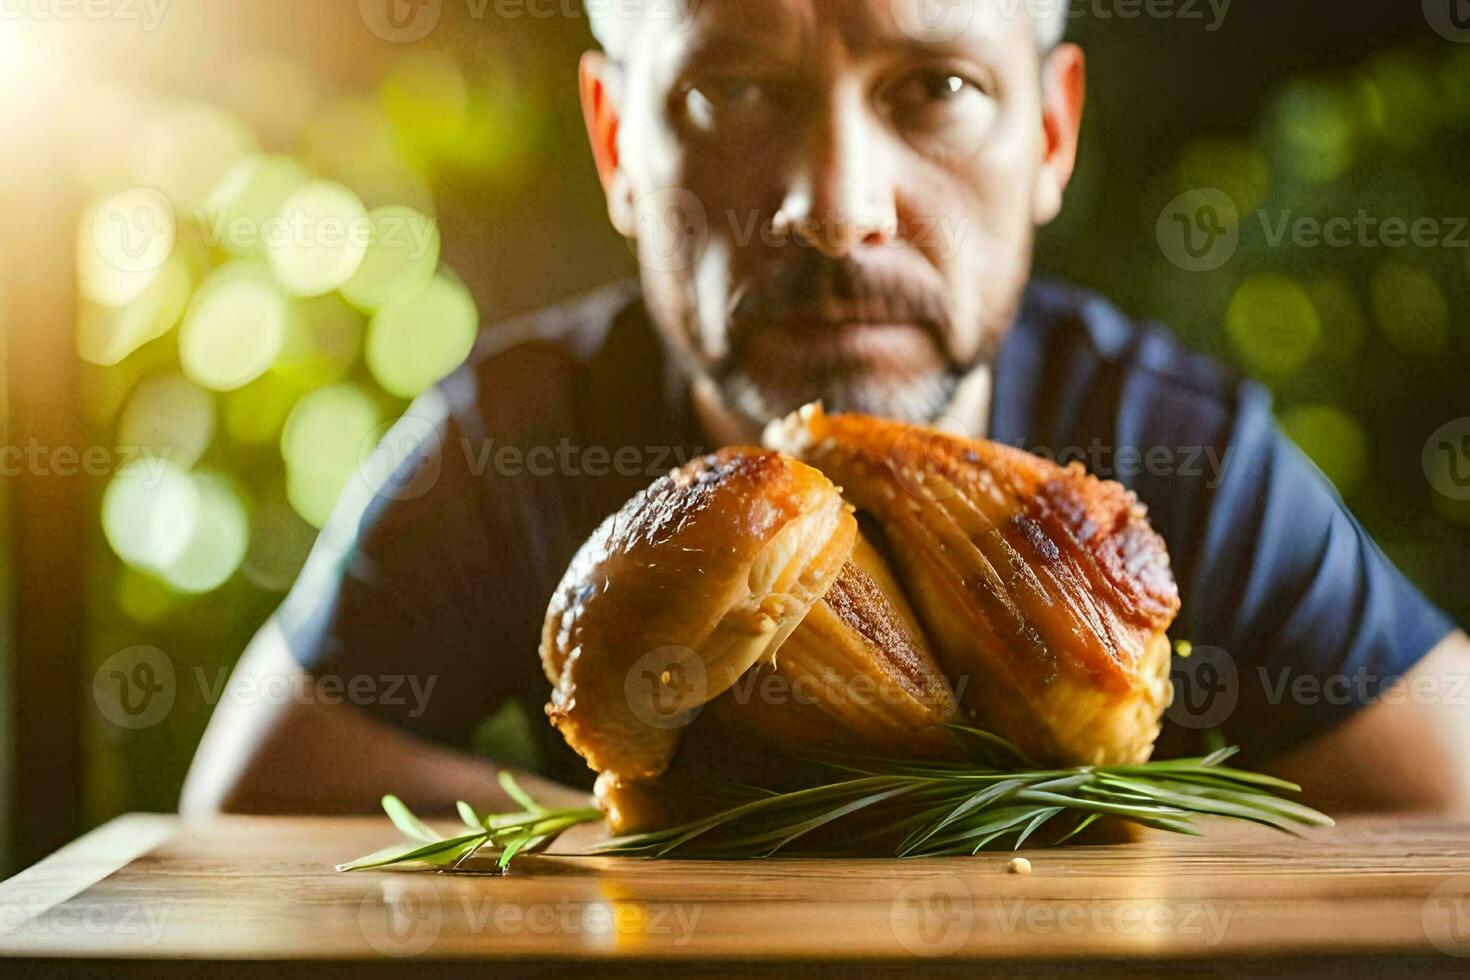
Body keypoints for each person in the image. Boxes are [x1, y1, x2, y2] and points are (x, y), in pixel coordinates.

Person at [181, 0, 1469, 817]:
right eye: (729, 92)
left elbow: (1447, 816)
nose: (835, 206)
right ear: (621, 142)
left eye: (940, 90)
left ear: (1053, 136)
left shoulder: (1178, 456)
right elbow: (245, 812)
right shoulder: (505, 441)